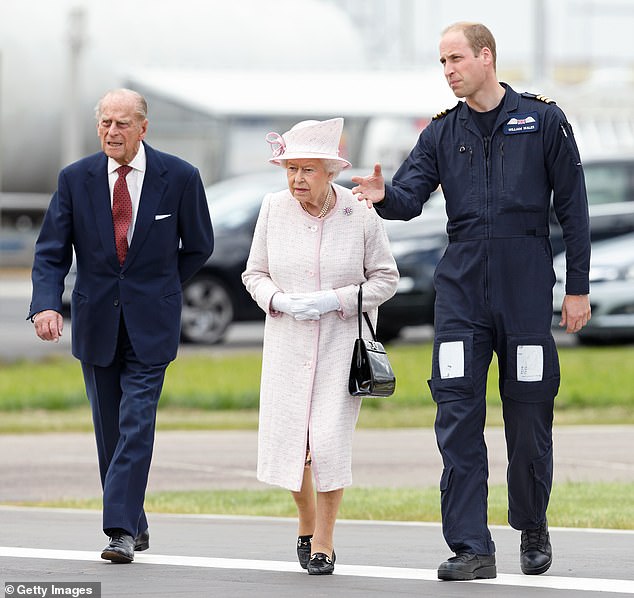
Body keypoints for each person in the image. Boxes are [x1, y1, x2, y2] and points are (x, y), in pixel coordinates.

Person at [352, 22, 591, 581]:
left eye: (456, 58)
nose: (448, 70)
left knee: (529, 416)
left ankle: (532, 525)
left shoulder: (544, 121)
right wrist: (386, 196)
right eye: (442, 62)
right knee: (456, 414)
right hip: (461, 290)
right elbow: (408, 197)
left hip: (526, 285)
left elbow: (574, 210)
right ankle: (470, 547)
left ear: (487, 58)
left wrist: (577, 287)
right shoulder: (440, 133)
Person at [28, 88, 214, 563]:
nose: (113, 131)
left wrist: (162, 286)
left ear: (143, 128)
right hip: (95, 321)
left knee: (136, 423)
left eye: (123, 123)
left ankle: (118, 532)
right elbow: (51, 251)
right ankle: (135, 519)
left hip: (153, 322)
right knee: (109, 430)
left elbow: (199, 245)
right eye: (106, 123)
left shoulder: (180, 177)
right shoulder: (76, 179)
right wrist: (47, 305)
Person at [242, 118, 398, 575]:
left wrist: (337, 300)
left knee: (327, 443)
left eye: (307, 170)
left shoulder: (360, 211)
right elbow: (254, 273)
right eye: (291, 170)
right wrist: (279, 300)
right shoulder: (273, 208)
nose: (297, 180)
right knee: (292, 444)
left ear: (331, 170)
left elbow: (387, 279)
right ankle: (306, 517)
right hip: (288, 342)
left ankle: (324, 539)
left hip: (339, 345)